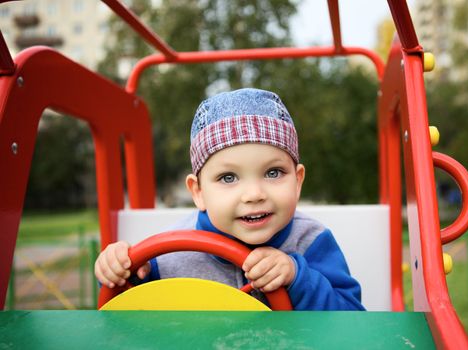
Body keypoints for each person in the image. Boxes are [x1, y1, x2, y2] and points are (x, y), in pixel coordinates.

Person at [95, 88, 365, 310]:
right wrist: (119, 275)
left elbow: (351, 320)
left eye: (273, 172)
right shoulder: (167, 256)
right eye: (228, 178)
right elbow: (129, 323)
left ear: (298, 181)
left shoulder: (312, 241)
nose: (254, 194)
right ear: (198, 192)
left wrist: (297, 278)